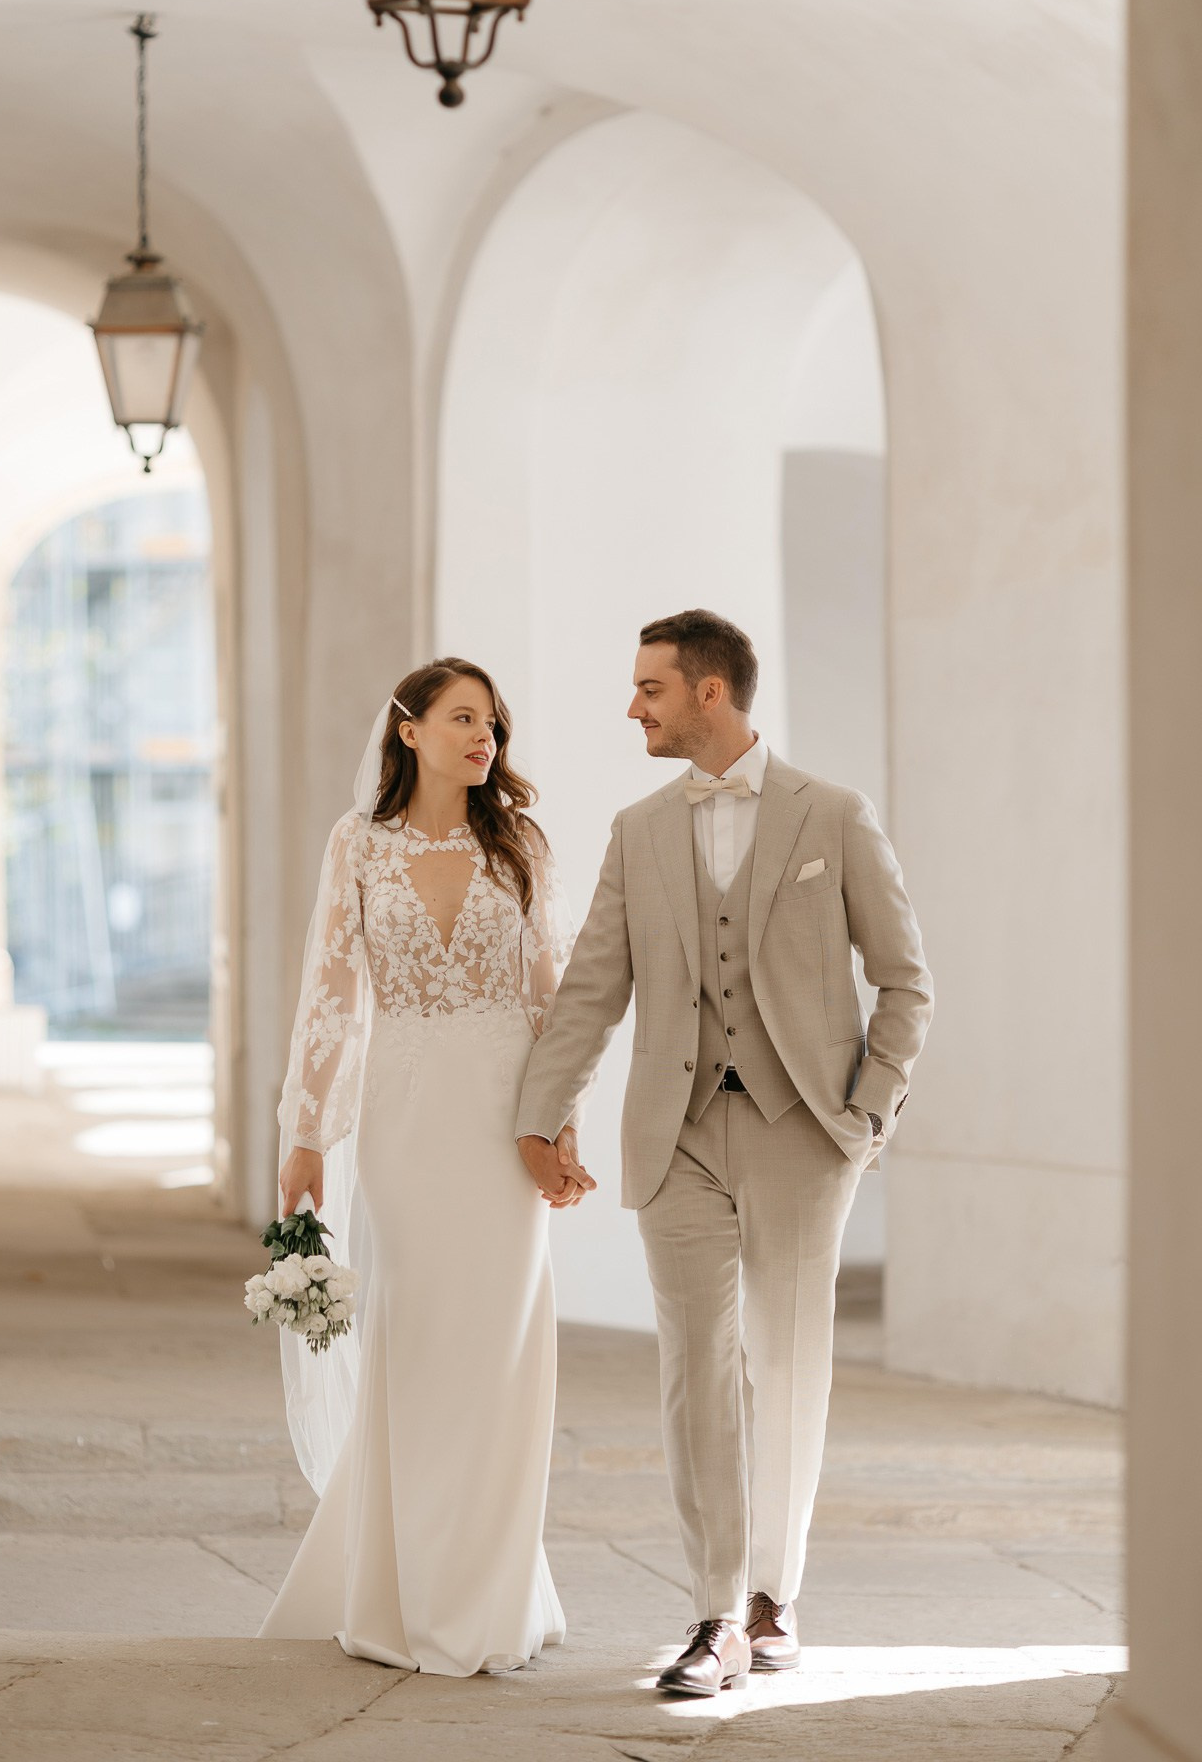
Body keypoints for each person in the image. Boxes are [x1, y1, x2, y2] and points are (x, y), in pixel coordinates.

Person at [515, 609, 933, 1697]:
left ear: (710, 692)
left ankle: (772, 1598)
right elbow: (591, 987)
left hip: (804, 1132)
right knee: (694, 1370)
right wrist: (536, 1112)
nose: (631, 706)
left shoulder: (833, 816)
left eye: (649, 686)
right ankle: (712, 1614)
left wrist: (867, 1113)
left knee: (785, 1370)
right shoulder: (637, 829)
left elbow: (903, 980)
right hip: (677, 1133)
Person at [257, 657, 594, 1676]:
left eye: (490, 723)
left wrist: (559, 1124)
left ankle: (481, 1591)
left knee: (494, 1346)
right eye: (459, 719)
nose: (481, 738)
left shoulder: (520, 843)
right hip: (403, 1120)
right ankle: (402, 1586)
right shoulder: (356, 845)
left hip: (501, 1120)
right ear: (407, 731)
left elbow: (549, 996)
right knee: (419, 1335)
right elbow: (327, 991)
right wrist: (307, 1135)